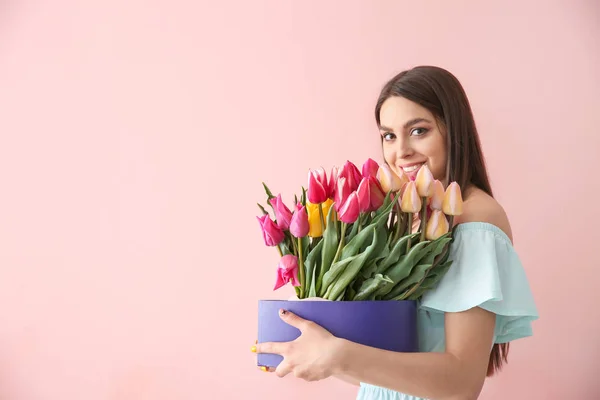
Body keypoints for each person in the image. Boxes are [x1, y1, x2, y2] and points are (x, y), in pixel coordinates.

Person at [252, 65, 539, 400]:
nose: (400, 151)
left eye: (418, 130)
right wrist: (318, 356)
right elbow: (388, 373)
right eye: (389, 135)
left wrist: (339, 355)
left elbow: (462, 384)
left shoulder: (474, 221)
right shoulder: (415, 223)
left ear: (454, 130)